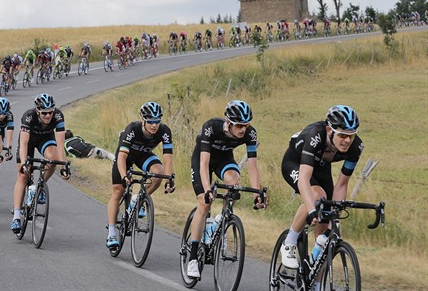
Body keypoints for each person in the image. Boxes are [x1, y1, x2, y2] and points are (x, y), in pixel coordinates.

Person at [279, 105, 362, 277]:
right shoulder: (315, 135)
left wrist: (335, 212)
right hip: (295, 164)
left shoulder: (355, 147)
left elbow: (341, 184)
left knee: (325, 239)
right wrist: (311, 211)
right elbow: (303, 179)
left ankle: (314, 281)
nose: (347, 140)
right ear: (329, 130)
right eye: (342, 135)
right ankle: (289, 242)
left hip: (321, 168)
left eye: (351, 135)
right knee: (317, 196)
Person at [186, 100, 265, 278]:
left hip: (224, 160)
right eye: (239, 126)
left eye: (245, 125)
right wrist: (207, 190)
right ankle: (192, 258)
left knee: (234, 183)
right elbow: (204, 164)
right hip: (202, 160)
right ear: (228, 122)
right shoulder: (211, 128)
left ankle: (221, 221)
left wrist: (257, 193)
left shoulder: (250, 134)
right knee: (204, 204)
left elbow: (253, 166)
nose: (243, 130)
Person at [106, 101, 174, 249]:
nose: (154, 125)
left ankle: (137, 200)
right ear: (143, 119)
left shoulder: (165, 131)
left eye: (157, 121)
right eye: (150, 121)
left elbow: (168, 157)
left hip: (143, 155)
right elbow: (122, 157)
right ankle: (111, 232)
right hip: (126, 156)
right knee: (118, 190)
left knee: (159, 173)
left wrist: (169, 179)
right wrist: (124, 176)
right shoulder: (132, 128)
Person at [11, 93, 69, 234]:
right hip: (29, 141)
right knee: (23, 176)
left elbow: (60, 144)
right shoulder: (28, 116)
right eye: (44, 113)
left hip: (45, 139)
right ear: (38, 111)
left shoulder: (58, 116)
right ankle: (17, 216)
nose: (48, 116)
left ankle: (40, 185)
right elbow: (23, 144)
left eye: (50, 112)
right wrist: (24, 164)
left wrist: (63, 167)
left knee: (53, 159)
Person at [0, 97, 14, 180]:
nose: (2, 116)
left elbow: (10, 132)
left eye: (4, 113)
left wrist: (9, 148)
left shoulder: (9, 116)